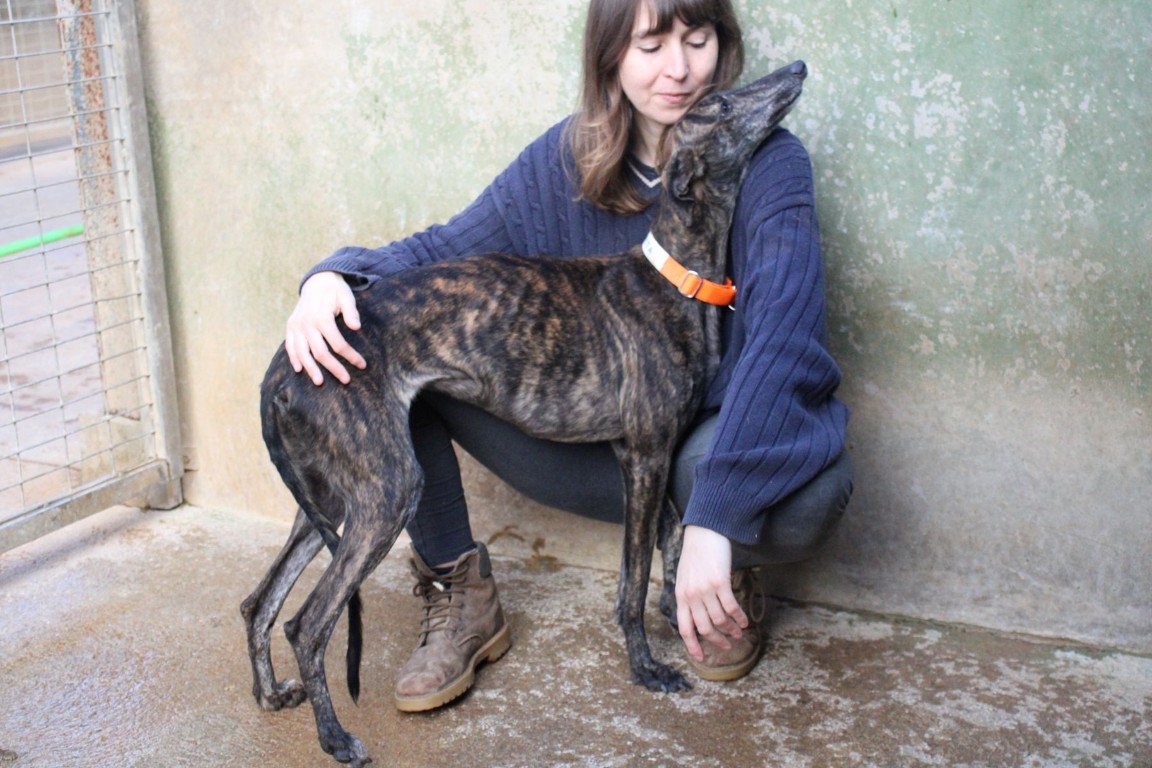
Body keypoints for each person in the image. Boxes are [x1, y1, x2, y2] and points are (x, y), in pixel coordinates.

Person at [284, 0, 852, 711]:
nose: (679, 69)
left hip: (699, 451)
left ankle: (712, 566)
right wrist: (333, 277)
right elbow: (440, 251)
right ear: (611, 56)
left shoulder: (768, 161)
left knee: (804, 498)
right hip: (588, 446)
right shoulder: (565, 157)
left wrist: (718, 514)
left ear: (723, 44)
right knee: (380, 347)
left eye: (698, 39)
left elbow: (784, 339)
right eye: (651, 46)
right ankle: (459, 589)